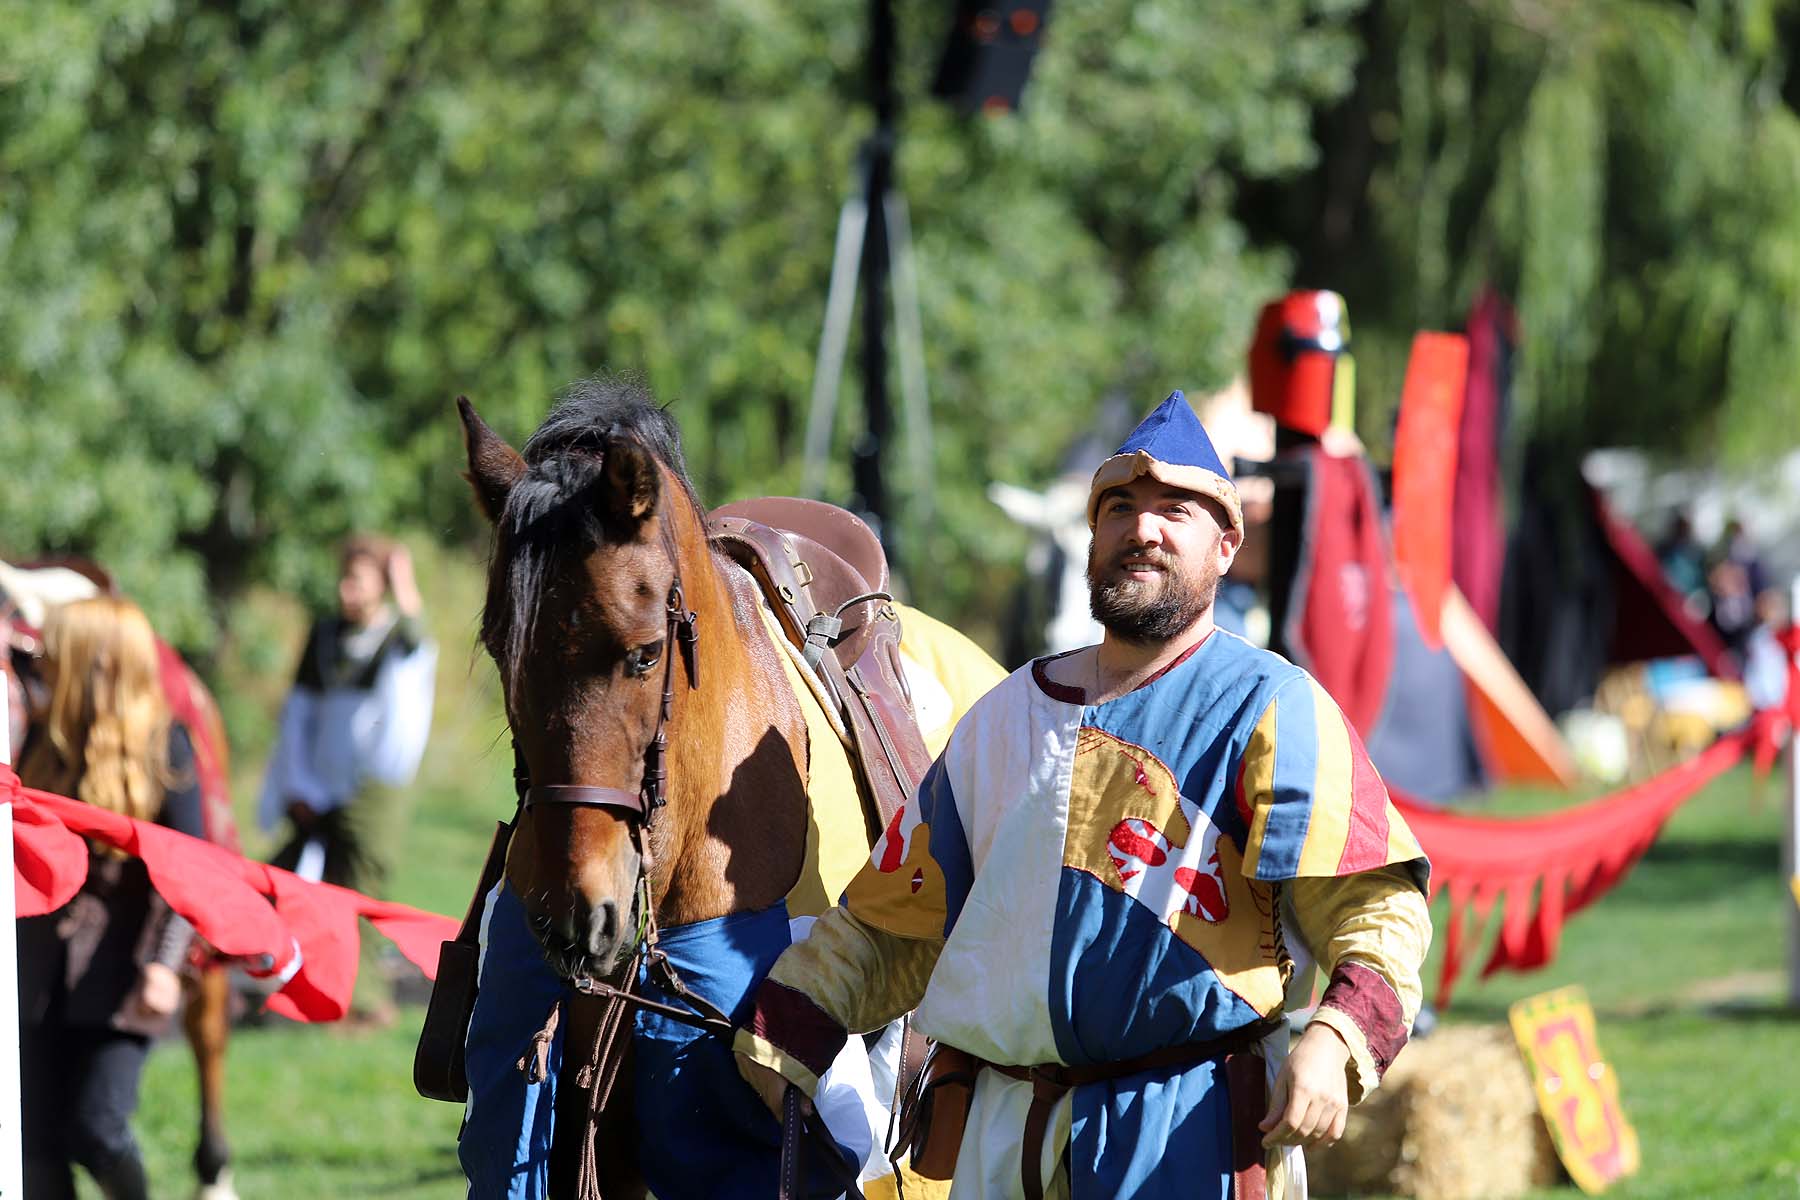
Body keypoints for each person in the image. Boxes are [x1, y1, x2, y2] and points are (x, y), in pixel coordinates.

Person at [735, 392, 1433, 1199]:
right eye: (1120, 509)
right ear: (1093, 536)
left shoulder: (1274, 707)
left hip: (1192, 1132)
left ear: (1227, 544)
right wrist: (788, 1024)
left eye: (1177, 510)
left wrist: (1338, 1038)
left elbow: (1376, 907)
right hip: (1004, 1140)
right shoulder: (1002, 717)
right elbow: (894, 918)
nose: (1143, 529)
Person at [16, 597, 207, 1200]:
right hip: (39, 970)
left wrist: (165, 963)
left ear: (94, 662)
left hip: (123, 974)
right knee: (35, 1144)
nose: (45, 660)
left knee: (96, 1129)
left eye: (57, 651)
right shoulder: (43, 739)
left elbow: (189, 868)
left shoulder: (166, 744)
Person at [260, 534, 437, 1025]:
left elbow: (419, 644)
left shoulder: (396, 637)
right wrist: (298, 784)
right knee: (301, 883)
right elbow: (298, 714)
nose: (346, 590)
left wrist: (405, 587)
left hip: (372, 790)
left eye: (358, 580)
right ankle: (302, 987)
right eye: (344, 578)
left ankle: (363, 1003)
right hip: (317, 785)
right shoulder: (324, 636)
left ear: (380, 586)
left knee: (361, 888)